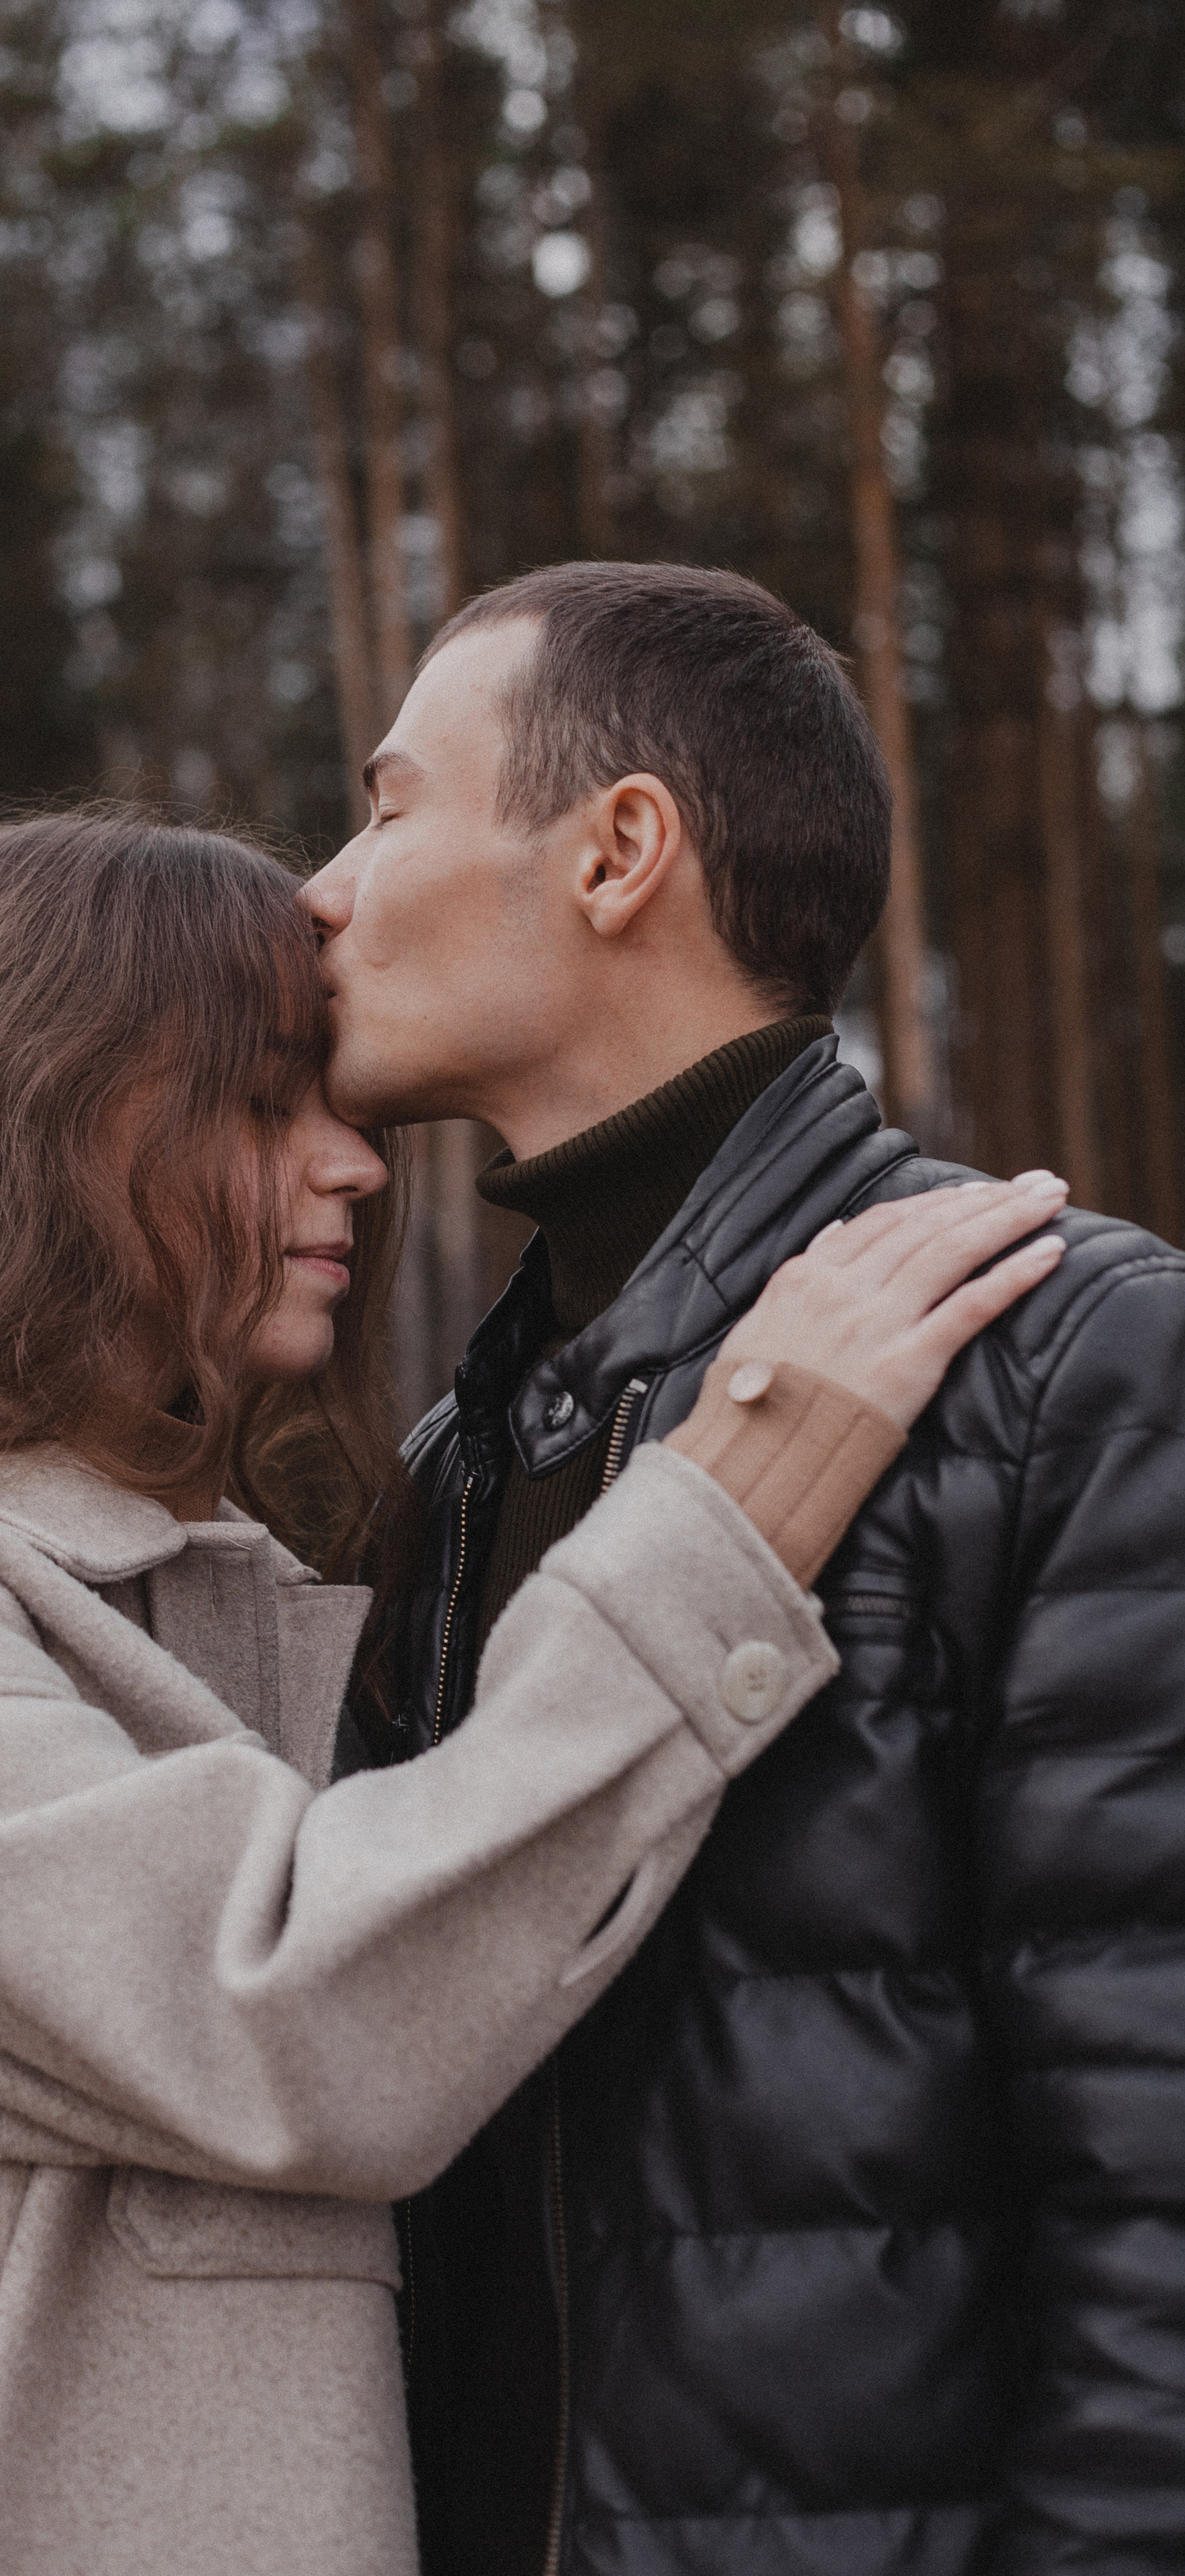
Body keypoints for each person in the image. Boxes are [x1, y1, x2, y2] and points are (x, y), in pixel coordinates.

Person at [0, 811, 1064, 2576]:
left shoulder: (212, 1581)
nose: (358, 1168)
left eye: (353, 1112)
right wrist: (724, 1518)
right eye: (260, 1102)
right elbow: (305, 2017)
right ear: (49, 1118)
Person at [304, 559, 1185, 2576]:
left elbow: (1157, 2194)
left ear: (621, 851)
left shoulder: (1068, 1362)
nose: (322, 892)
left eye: (385, 804)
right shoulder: (458, 1463)